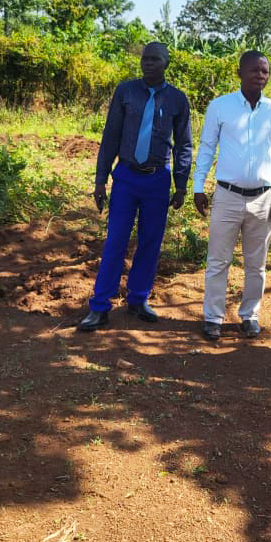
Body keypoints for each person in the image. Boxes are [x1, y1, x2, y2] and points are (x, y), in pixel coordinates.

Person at [78, 42, 192, 331]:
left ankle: (138, 299)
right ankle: (100, 306)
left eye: (155, 59)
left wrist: (180, 184)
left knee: (150, 242)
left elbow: (184, 144)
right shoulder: (126, 92)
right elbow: (111, 135)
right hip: (126, 177)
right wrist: (101, 179)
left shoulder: (177, 99)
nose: (148, 63)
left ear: (166, 63)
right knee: (115, 240)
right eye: (145, 59)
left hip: (157, 179)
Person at [193, 50, 271, 341]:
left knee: (256, 264)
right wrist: (198, 186)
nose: (260, 75)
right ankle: (213, 318)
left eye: (264, 71)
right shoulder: (220, 107)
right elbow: (207, 147)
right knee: (218, 261)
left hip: (263, 199)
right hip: (227, 196)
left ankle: (250, 316)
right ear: (240, 73)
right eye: (254, 70)